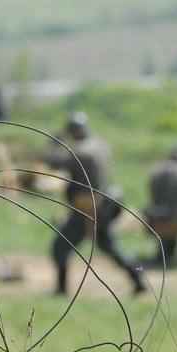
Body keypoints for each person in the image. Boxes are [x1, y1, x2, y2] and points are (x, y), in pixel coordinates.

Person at [45, 112, 146, 295]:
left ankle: (61, 289)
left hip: (88, 209)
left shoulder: (80, 152)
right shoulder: (100, 145)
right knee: (108, 245)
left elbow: (53, 164)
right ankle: (138, 279)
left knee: (60, 247)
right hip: (105, 202)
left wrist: (54, 144)